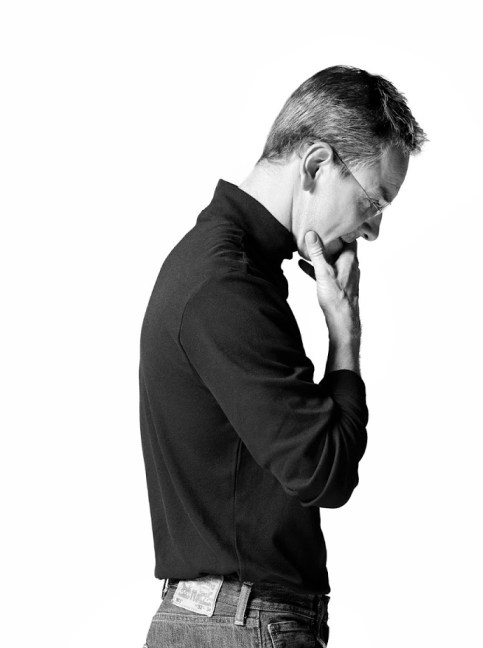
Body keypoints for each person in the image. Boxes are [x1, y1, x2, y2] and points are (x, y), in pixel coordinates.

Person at [138, 65, 426, 647]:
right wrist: (345, 334)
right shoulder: (227, 285)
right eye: (373, 201)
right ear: (316, 165)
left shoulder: (221, 268)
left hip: (226, 619)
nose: (373, 230)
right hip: (243, 624)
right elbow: (325, 472)